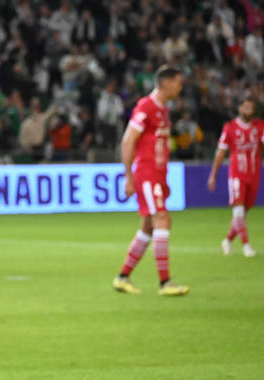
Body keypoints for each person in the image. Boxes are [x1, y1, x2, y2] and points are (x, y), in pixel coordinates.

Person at [113, 66, 190, 297]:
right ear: (165, 83)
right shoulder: (146, 106)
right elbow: (128, 141)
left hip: (158, 175)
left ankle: (123, 277)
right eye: (177, 82)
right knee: (162, 219)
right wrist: (129, 177)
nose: (180, 87)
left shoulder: (163, 110)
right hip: (147, 174)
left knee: (148, 226)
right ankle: (165, 282)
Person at [207, 97, 264, 257]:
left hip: (254, 175)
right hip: (237, 175)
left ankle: (227, 240)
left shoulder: (259, 126)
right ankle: (246, 245)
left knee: (243, 212)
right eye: (245, 107)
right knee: (238, 210)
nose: (248, 110)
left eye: (251, 107)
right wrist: (213, 175)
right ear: (239, 108)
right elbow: (220, 152)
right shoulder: (230, 127)